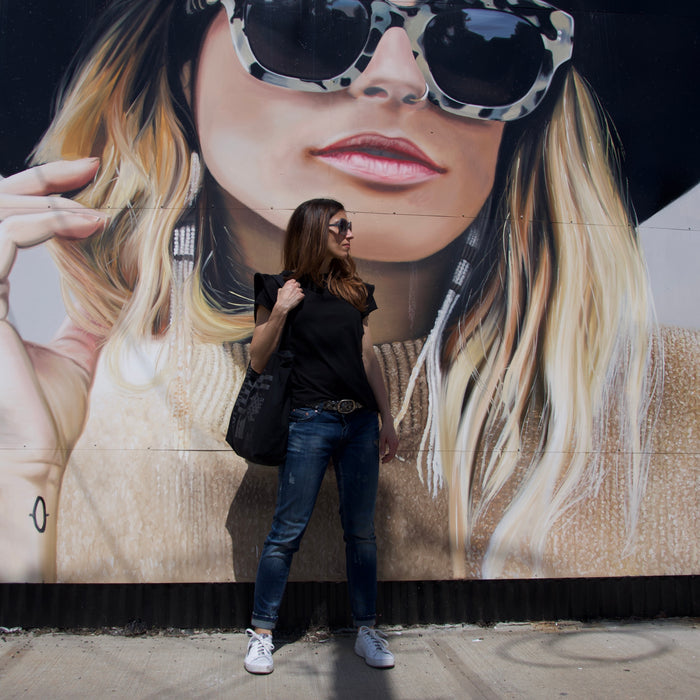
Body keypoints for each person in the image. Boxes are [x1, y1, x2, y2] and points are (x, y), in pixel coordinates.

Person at [0, 0, 696, 584]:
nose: (398, 80)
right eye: (310, 19)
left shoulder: (678, 406)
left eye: (482, 42)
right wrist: (28, 464)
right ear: (184, 71)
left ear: (525, 116)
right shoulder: (76, 411)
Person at [242, 198, 399, 674]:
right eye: (341, 226)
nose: (350, 233)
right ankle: (261, 633)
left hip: (358, 424)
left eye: (350, 225)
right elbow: (257, 359)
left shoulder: (355, 290)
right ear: (316, 230)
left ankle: (366, 629)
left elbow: (367, 356)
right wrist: (281, 312)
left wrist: (387, 418)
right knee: (286, 532)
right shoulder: (278, 288)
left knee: (362, 533)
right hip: (310, 421)